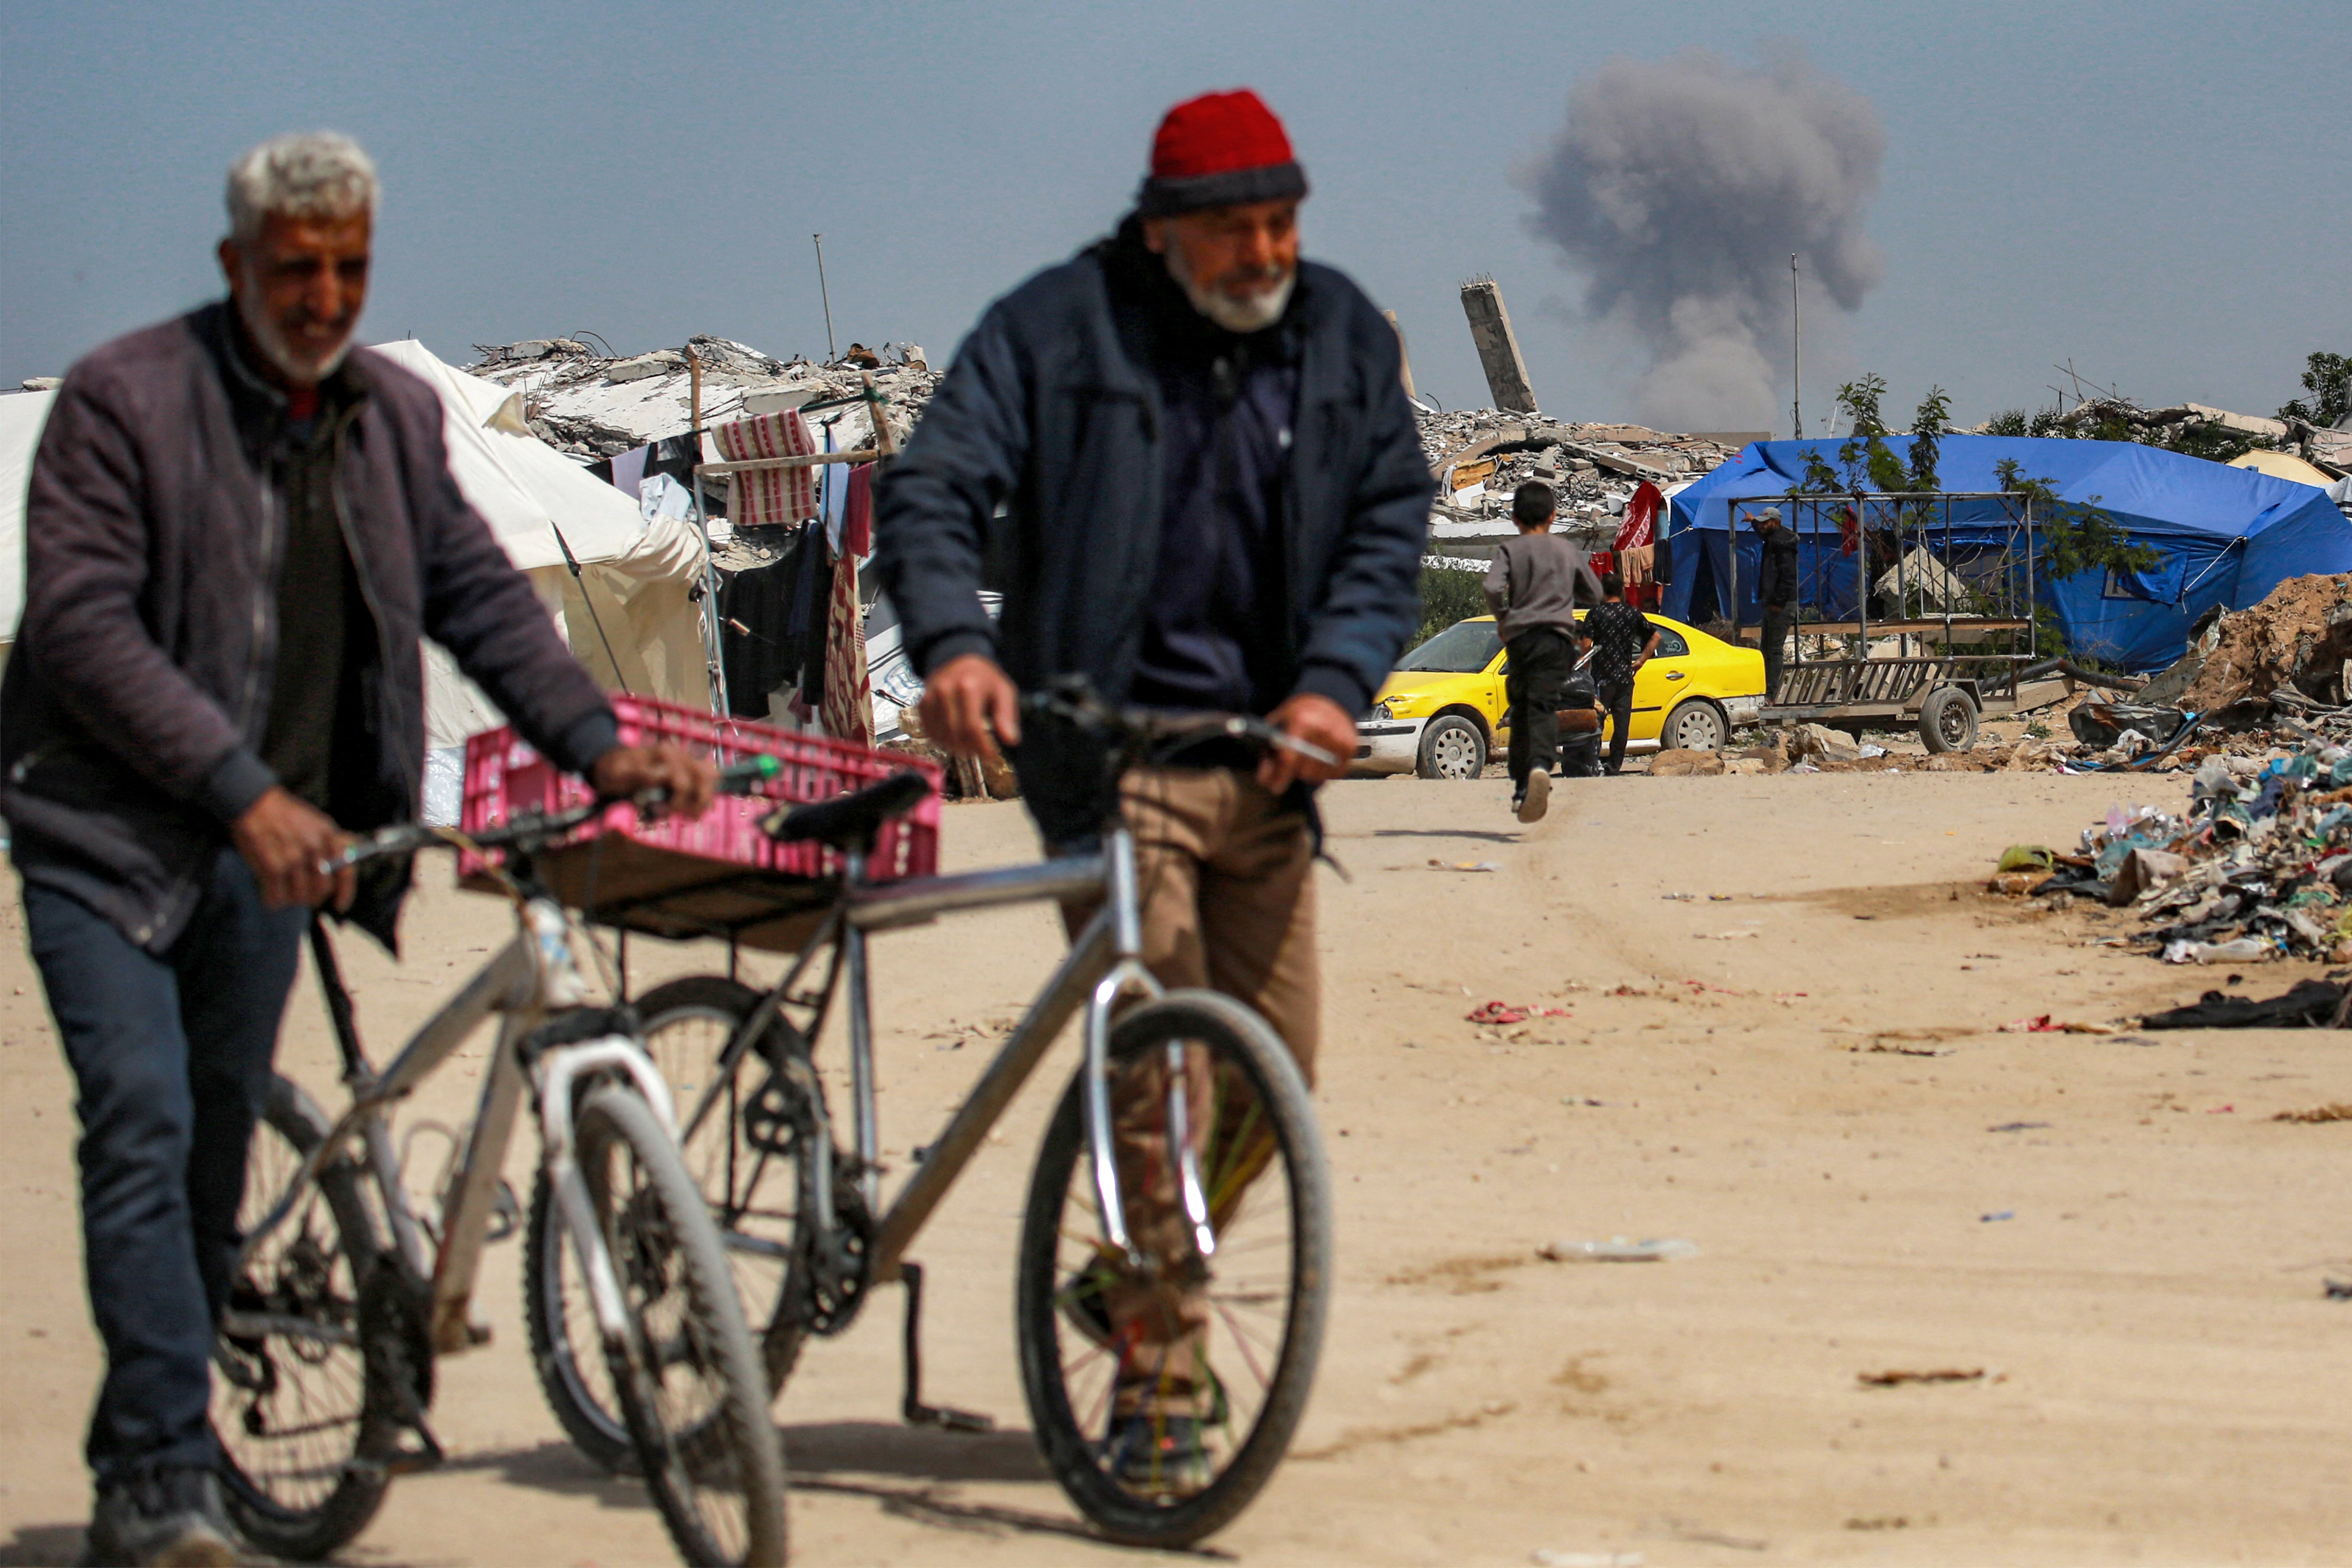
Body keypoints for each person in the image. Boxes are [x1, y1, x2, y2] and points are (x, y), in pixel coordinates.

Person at [2, 132, 715, 1567]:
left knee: (214, 1139)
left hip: (272, 842)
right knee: (143, 1118)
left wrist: (599, 738)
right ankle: (151, 1470)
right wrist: (234, 782)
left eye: (349, 269)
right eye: (294, 270)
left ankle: (187, 1431)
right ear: (233, 267)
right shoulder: (121, 404)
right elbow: (78, 624)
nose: (324, 297)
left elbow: (478, 596)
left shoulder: (386, 416)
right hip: (103, 832)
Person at [873, 89, 1429, 1482]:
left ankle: (1135, 1268)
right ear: (1164, 229)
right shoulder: (1053, 330)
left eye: (1282, 224)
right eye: (1235, 229)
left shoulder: (1341, 333)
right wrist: (952, 643)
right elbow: (932, 485)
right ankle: (1159, 1378)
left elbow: (1385, 519)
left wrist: (1335, 680)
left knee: (1274, 1071)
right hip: (1112, 765)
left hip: (1270, 768)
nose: (1265, 253)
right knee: (1159, 1078)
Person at [1482, 481, 1602, 822]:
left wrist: (1503, 616)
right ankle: (1539, 767)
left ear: (1515, 517)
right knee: (1545, 705)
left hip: (1520, 640)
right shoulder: (1565, 550)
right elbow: (1593, 592)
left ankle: (1523, 786)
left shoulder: (1510, 550)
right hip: (1556, 640)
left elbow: (1492, 586)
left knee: (1521, 708)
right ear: (1553, 516)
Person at [1581, 572, 1660, 775]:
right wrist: (1640, 661)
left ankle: (1591, 762)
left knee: (1595, 722)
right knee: (1622, 724)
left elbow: (1586, 645)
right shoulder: (1632, 613)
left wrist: (1586, 669)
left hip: (1602, 678)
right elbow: (1656, 637)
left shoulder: (1596, 614)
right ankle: (1614, 766)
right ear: (1621, 590)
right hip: (1625, 678)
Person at [1749, 506, 1802, 701]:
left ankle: (1771, 695)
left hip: (1782, 605)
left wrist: (1779, 602)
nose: (1762, 526)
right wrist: (1753, 522)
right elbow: (1763, 533)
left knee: (1774, 649)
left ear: (1776, 523)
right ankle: (1765, 691)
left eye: (1765, 522)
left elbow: (1788, 577)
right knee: (1766, 648)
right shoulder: (1774, 539)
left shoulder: (1782, 544)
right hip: (1773, 604)